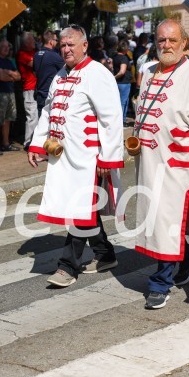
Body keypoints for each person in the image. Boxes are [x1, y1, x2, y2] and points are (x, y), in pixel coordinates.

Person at [27, 25, 124, 288]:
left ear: (84, 46)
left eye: (71, 45)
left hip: (88, 159)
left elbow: (111, 119)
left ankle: (67, 266)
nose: (66, 49)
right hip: (63, 158)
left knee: (79, 209)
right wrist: (37, 144)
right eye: (63, 45)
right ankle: (105, 255)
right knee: (83, 209)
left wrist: (108, 157)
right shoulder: (60, 74)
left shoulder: (98, 73)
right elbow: (48, 111)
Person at [132, 20, 189, 309]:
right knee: (161, 221)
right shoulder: (150, 71)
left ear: (184, 44)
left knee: (168, 222)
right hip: (149, 163)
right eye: (161, 41)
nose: (166, 46)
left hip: (176, 165)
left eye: (172, 40)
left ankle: (160, 283)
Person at [0, 39, 21, 156]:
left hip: (10, 93)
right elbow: (1, 77)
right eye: (4, 47)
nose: (7, 49)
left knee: (8, 119)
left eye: (8, 47)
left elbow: (18, 76)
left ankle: (5, 143)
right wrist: (11, 75)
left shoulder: (8, 62)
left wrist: (9, 73)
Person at [33, 30, 64, 122]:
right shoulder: (54, 56)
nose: (57, 42)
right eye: (56, 40)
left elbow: (34, 72)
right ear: (51, 42)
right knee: (51, 121)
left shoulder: (36, 54)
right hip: (50, 93)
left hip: (39, 92)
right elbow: (68, 69)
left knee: (41, 120)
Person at [16, 32, 39, 150]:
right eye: (32, 40)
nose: (34, 41)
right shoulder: (22, 54)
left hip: (37, 87)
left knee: (38, 116)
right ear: (26, 43)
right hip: (29, 88)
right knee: (32, 116)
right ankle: (28, 143)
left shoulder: (34, 52)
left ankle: (37, 141)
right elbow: (36, 64)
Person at [112, 40, 133, 126]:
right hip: (124, 83)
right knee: (123, 102)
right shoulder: (124, 58)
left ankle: (121, 119)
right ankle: (121, 121)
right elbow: (122, 71)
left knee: (121, 101)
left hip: (118, 83)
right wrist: (114, 77)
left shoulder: (115, 56)